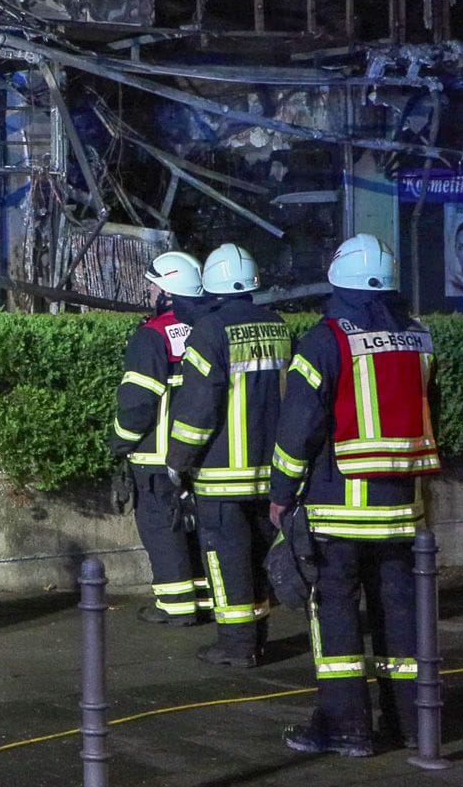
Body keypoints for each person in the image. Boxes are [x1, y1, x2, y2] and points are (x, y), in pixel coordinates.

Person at [269, 233, 442, 757]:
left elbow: (300, 425)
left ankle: (348, 731)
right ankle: (413, 726)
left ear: (337, 281)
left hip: (338, 507)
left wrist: (281, 493)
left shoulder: (325, 340)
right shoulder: (420, 337)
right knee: (402, 618)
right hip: (402, 510)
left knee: (337, 619)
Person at [166, 243, 290, 668]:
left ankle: (237, 648)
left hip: (221, 476)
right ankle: (258, 639)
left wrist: (177, 461)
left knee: (226, 560)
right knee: (257, 557)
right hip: (270, 471)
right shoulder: (277, 325)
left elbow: (198, 409)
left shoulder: (210, 331)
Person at [110, 250, 211, 625]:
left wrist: (120, 442)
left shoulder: (150, 337)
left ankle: (177, 606)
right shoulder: (208, 329)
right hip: (201, 451)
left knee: (161, 527)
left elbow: (137, 403)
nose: (149, 290)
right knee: (196, 526)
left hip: (155, 454)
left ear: (166, 291)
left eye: (153, 284)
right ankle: (204, 599)